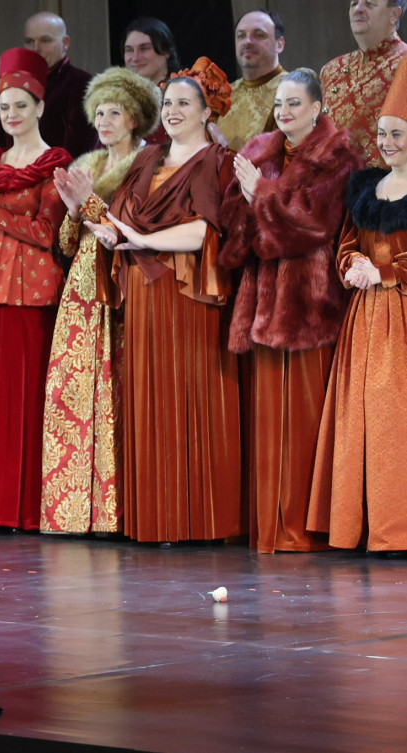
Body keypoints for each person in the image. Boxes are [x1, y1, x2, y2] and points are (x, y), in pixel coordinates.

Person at [87, 58, 240, 543]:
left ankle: (198, 520)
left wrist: (144, 240)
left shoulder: (217, 160)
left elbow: (206, 231)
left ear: (206, 112)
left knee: (189, 395)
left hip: (186, 293)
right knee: (148, 400)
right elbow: (122, 220)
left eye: (183, 104)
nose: (172, 111)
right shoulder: (147, 158)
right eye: (168, 102)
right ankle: (155, 520)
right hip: (144, 292)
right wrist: (110, 233)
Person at [219, 69, 362, 554]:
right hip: (264, 302)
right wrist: (249, 203)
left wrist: (260, 195)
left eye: (294, 104)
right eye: (279, 104)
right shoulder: (261, 152)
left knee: (304, 423)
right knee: (269, 424)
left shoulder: (337, 157)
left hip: (308, 305)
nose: (283, 112)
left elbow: (314, 223)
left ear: (317, 108)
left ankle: (303, 530)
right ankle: (269, 530)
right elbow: (235, 223)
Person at [40, 67, 162, 535]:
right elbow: (67, 243)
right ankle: (72, 513)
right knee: (71, 393)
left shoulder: (149, 164)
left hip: (122, 281)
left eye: (114, 112)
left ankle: (115, 511)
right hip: (81, 288)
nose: (104, 121)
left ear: (134, 117)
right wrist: (74, 211)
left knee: (116, 390)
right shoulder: (86, 166)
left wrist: (89, 204)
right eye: (100, 113)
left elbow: (133, 226)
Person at [0, 49, 72, 530]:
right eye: (4, 107)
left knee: (27, 398)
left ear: (40, 107)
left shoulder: (55, 164)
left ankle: (24, 508)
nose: (11, 115)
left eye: (21, 105)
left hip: (33, 292)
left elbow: (47, 233)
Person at [308, 61, 407, 554]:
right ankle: (364, 526)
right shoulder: (368, 189)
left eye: (397, 134)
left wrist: (384, 272)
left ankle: (397, 530)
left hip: (401, 318)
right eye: (383, 134)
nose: (387, 143)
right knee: (360, 417)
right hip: (365, 320)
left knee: (395, 417)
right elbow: (346, 243)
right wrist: (353, 265)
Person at [321, 0, 407, 167]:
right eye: (354, 4)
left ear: (394, 14)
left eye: (369, 3)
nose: (358, 9)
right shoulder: (331, 70)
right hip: (331, 179)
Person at [23, 11, 98, 157]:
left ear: (65, 43)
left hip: (60, 170)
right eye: (29, 41)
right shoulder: (16, 84)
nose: (35, 48)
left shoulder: (83, 84)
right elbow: (0, 144)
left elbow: (77, 154)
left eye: (45, 40)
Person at [213, 9, 287, 153]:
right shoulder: (224, 94)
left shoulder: (295, 90)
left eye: (259, 35)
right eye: (241, 36)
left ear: (279, 44)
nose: (247, 41)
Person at [123, 17, 180, 146]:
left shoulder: (185, 93)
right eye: (129, 50)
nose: (135, 58)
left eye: (144, 48)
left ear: (166, 51)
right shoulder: (118, 98)